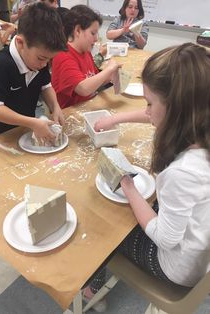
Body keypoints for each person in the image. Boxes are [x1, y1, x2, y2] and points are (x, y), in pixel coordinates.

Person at [85, 43, 210, 310]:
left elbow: (165, 238)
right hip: (197, 247)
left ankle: (90, 289)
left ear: (176, 109)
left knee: (104, 222)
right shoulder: (199, 121)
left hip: (176, 267)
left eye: (150, 103)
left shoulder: (183, 172)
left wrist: (127, 184)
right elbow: (157, 113)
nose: (147, 110)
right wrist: (116, 119)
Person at [0, 2, 67, 142]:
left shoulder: (39, 59)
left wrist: (55, 107)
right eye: (42, 58)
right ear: (20, 43)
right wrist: (32, 122)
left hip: (24, 127)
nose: (44, 65)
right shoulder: (2, 63)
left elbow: (46, 86)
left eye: (49, 60)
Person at [51, 5, 121, 109]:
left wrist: (112, 75)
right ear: (78, 30)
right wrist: (109, 69)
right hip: (70, 114)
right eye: (93, 33)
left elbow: (93, 80)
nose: (96, 38)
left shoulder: (85, 51)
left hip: (88, 106)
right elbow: (83, 88)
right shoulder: (63, 56)